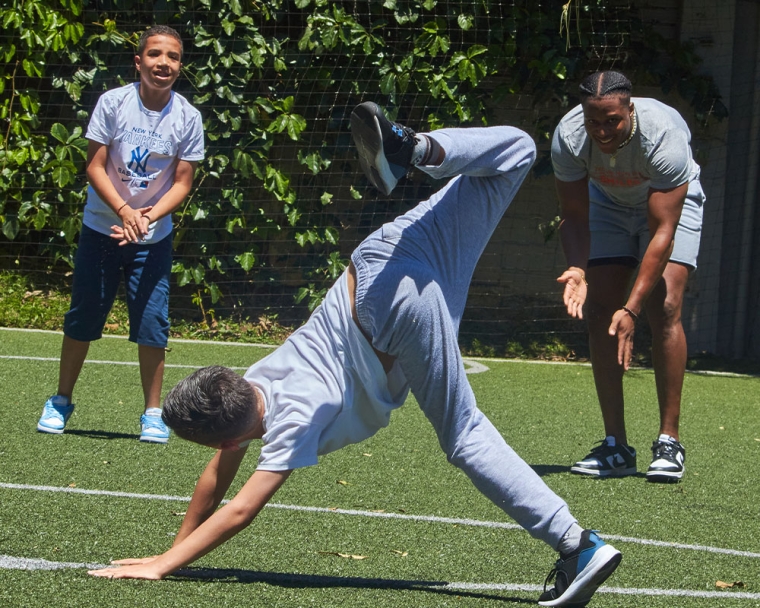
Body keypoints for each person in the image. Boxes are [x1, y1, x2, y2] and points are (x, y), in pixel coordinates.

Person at [88, 102, 621, 606]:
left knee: (464, 434)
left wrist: (163, 564)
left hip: (392, 312)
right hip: (384, 256)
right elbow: (217, 476)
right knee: (519, 151)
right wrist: (173, 554)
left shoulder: (289, 421)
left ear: (229, 431)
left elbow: (241, 506)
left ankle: (578, 545)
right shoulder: (250, 380)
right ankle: (419, 149)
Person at [36, 25, 205, 444]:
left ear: (180, 66)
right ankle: (60, 401)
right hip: (101, 230)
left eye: (172, 57)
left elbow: (182, 182)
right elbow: (94, 165)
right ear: (139, 61)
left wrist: (147, 218)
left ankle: (152, 413)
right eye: (154, 54)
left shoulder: (188, 116)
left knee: (152, 325)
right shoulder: (113, 103)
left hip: (152, 238)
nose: (163, 63)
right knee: (83, 319)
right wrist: (126, 211)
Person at [552, 70, 705, 482]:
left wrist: (633, 309)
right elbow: (574, 213)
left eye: (612, 121)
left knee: (665, 304)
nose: (601, 130)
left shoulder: (662, 135)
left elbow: (662, 233)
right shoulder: (568, 136)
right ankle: (616, 447)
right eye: (593, 121)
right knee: (600, 309)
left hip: (671, 208)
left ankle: (669, 441)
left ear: (629, 109)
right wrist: (579, 269)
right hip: (608, 204)